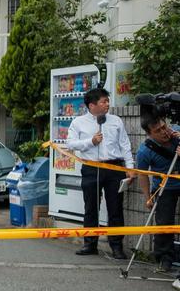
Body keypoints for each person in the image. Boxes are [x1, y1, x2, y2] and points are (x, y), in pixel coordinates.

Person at [66, 88, 134, 259]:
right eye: (103, 101)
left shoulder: (116, 121)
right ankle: (90, 243)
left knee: (115, 208)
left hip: (114, 168)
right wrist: (91, 141)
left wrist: (130, 167)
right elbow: (71, 144)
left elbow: (125, 145)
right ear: (92, 105)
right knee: (91, 207)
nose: (107, 104)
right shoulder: (78, 122)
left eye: (107, 101)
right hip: (91, 168)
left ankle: (116, 246)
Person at [135, 117, 180, 273]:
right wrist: (148, 197)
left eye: (163, 127)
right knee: (164, 223)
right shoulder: (144, 150)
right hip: (164, 187)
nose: (164, 132)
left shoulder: (176, 132)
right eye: (158, 131)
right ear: (149, 134)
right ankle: (164, 259)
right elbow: (142, 174)